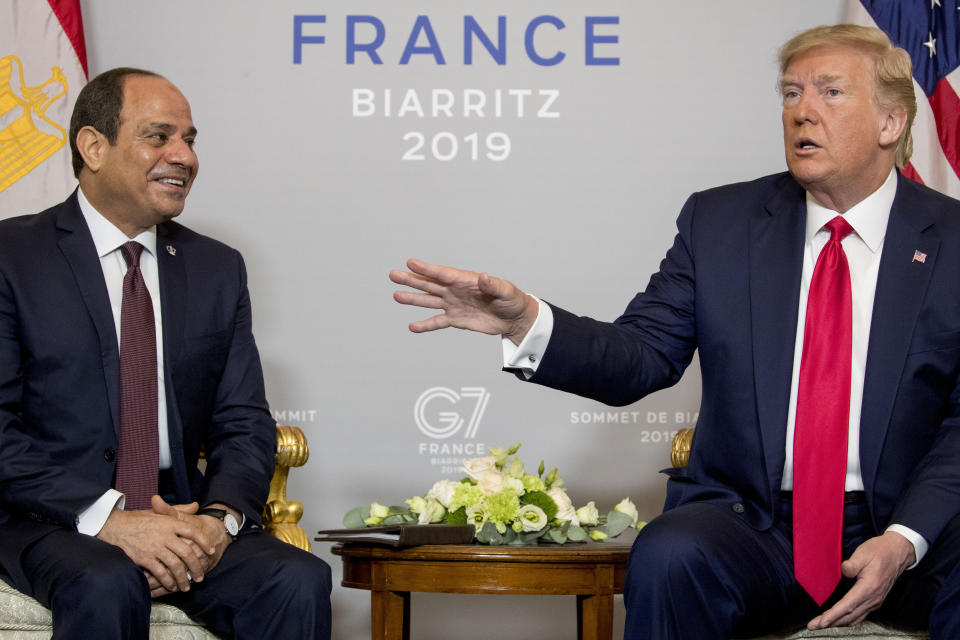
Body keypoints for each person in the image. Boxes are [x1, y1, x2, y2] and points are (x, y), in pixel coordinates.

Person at [389, 25, 960, 639]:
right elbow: (639, 357)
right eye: (790, 93)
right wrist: (528, 321)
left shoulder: (950, 240)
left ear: (891, 124)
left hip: (908, 525)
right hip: (756, 525)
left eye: (830, 92)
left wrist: (904, 540)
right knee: (670, 553)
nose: (802, 111)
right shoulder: (720, 223)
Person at [0, 67, 331, 639]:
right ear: (94, 147)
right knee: (105, 581)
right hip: (49, 519)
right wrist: (108, 520)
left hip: (181, 513)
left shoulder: (216, 268)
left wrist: (219, 521)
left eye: (190, 140)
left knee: (296, 577)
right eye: (159, 136)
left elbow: (243, 422)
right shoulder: (12, 256)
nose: (184, 156)